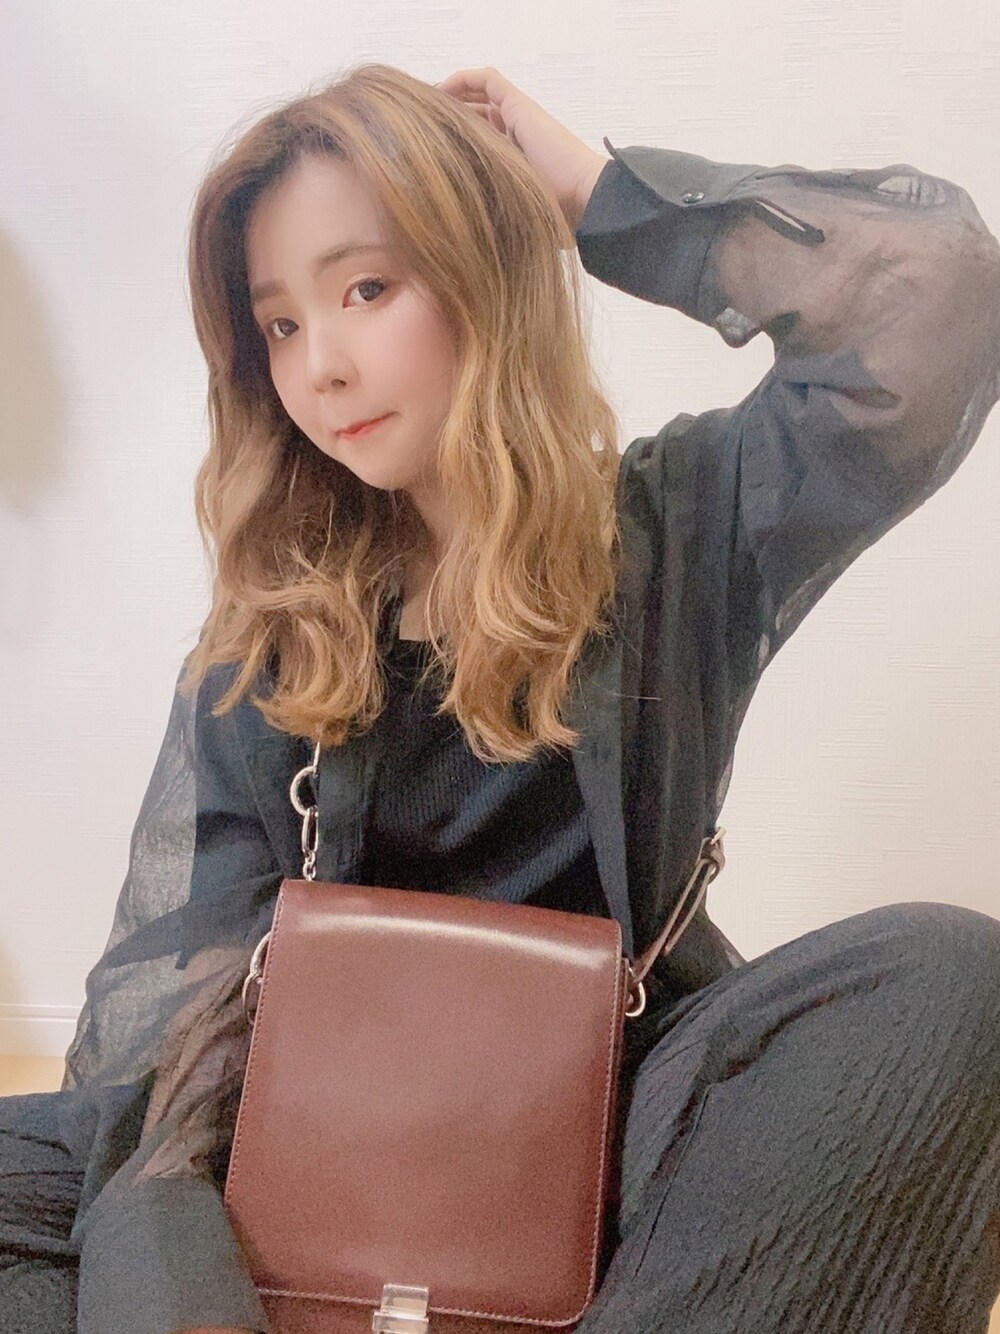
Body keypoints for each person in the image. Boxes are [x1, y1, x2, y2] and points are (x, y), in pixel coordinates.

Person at [2, 61, 999, 1334]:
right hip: (324, 1137)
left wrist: (593, 193)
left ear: (481, 274)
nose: (322, 365)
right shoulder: (275, 630)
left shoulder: (677, 527)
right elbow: (189, 1021)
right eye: (282, 324)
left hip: (616, 1134)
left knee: (945, 977)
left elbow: (937, 295)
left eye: (366, 288)